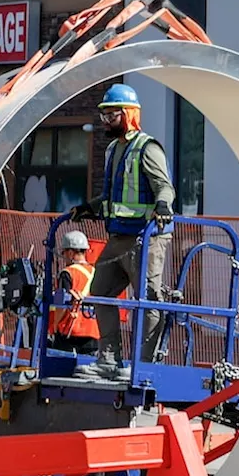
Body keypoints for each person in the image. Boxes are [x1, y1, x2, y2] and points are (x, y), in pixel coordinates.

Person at [68, 83, 175, 382]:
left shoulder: (147, 147)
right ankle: (110, 359)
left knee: (148, 298)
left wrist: (164, 204)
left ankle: (144, 366)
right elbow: (112, 198)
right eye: (103, 115)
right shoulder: (114, 149)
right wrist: (89, 208)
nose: (105, 120)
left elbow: (164, 187)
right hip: (118, 238)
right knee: (100, 291)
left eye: (112, 114)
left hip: (145, 238)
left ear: (128, 115)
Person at [48, 230, 99, 356]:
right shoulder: (95, 272)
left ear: (70, 252)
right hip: (92, 329)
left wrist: (55, 325)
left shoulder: (68, 273)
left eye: (63, 252)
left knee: (63, 370)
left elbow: (62, 304)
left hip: (69, 330)